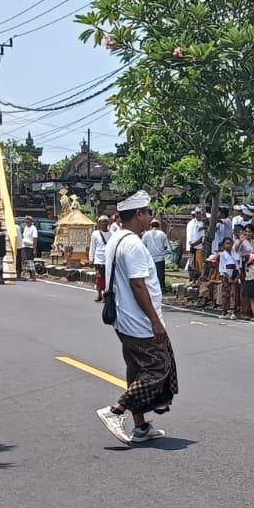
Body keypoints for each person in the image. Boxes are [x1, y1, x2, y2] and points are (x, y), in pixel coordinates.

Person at [95, 191, 178, 446]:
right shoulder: (133, 244)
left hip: (123, 318)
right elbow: (138, 285)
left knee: (137, 369)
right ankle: (116, 410)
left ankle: (140, 426)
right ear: (139, 214)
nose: (151, 216)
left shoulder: (116, 239)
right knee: (159, 368)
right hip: (139, 321)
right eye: (149, 212)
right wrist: (154, 320)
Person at [90, 217, 114, 302]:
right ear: (99, 223)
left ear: (108, 223)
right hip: (98, 259)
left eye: (106, 222)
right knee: (99, 277)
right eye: (102, 222)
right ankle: (99, 293)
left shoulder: (112, 234)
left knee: (107, 278)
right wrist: (91, 258)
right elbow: (92, 246)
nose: (104, 224)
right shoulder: (95, 234)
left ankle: (105, 294)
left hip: (108, 259)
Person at [143, 217, 170, 291]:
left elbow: (143, 245)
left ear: (151, 226)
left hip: (150, 258)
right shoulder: (162, 234)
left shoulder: (146, 234)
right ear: (159, 226)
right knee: (160, 274)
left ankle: (151, 288)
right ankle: (162, 288)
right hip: (160, 258)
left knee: (150, 275)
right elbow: (165, 246)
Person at [186, 208, 208, 281]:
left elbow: (203, 237)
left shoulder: (204, 223)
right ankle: (191, 279)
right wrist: (191, 243)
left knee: (200, 265)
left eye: (199, 213)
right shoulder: (191, 223)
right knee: (191, 264)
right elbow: (190, 235)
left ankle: (199, 279)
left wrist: (195, 243)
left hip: (200, 248)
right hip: (192, 247)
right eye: (197, 213)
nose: (198, 215)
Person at [19, 216, 39, 281]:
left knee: (30, 261)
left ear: (31, 221)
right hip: (24, 246)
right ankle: (30, 275)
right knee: (25, 261)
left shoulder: (33, 229)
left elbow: (35, 239)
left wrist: (34, 250)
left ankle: (33, 277)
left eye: (28, 221)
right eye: (26, 221)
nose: (27, 222)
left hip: (30, 247)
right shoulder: (25, 228)